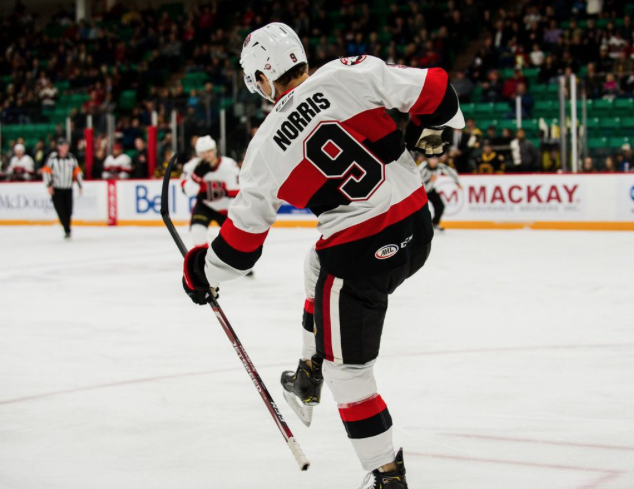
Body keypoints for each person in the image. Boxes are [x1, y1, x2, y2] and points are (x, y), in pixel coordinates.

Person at [180, 23, 464, 488]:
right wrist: (426, 127)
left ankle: (385, 473)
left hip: (361, 256)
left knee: (350, 372)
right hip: (416, 229)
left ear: (261, 78)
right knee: (316, 263)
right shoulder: (346, 71)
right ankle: (310, 372)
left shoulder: (265, 146)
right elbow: (439, 91)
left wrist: (198, 271)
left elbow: (238, 252)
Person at [180, 136, 240, 246]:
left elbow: (236, 194)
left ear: (215, 150)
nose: (207, 155)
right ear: (198, 153)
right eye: (203, 152)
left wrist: (233, 214)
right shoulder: (192, 166)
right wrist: (196, 177)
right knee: (197, 233)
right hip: (205, 205)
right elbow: (187, 192)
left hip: (226, 207)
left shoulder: (228, 166)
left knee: (234, 240)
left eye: (209, 151)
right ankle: (203, 259)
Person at [41, 138, 83, 239]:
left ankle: (67, 227)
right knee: (60, 210)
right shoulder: (52, 158)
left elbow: (77, 172)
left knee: (69, 210)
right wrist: (49, 185)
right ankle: (67, 229)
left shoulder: (72, 158)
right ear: (59, 147)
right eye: (64, 145)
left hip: (68, 188)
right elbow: (46, 171)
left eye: (67, 145)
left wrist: (80, 185)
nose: (66, 147)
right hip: (57, 189)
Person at [419, 157, 462, 230]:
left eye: (435, 159)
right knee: (421, 210)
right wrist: (428, 180)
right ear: (428, 160)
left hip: (430, 190)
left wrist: (457, 182)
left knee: (440, 206)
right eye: (432, 159)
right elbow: (417, 179)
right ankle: (419, 226)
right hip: (420, 192)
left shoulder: (440, 167)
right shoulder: (423, 167)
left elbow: (451, 172)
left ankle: (434, 223)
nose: (433, 161)